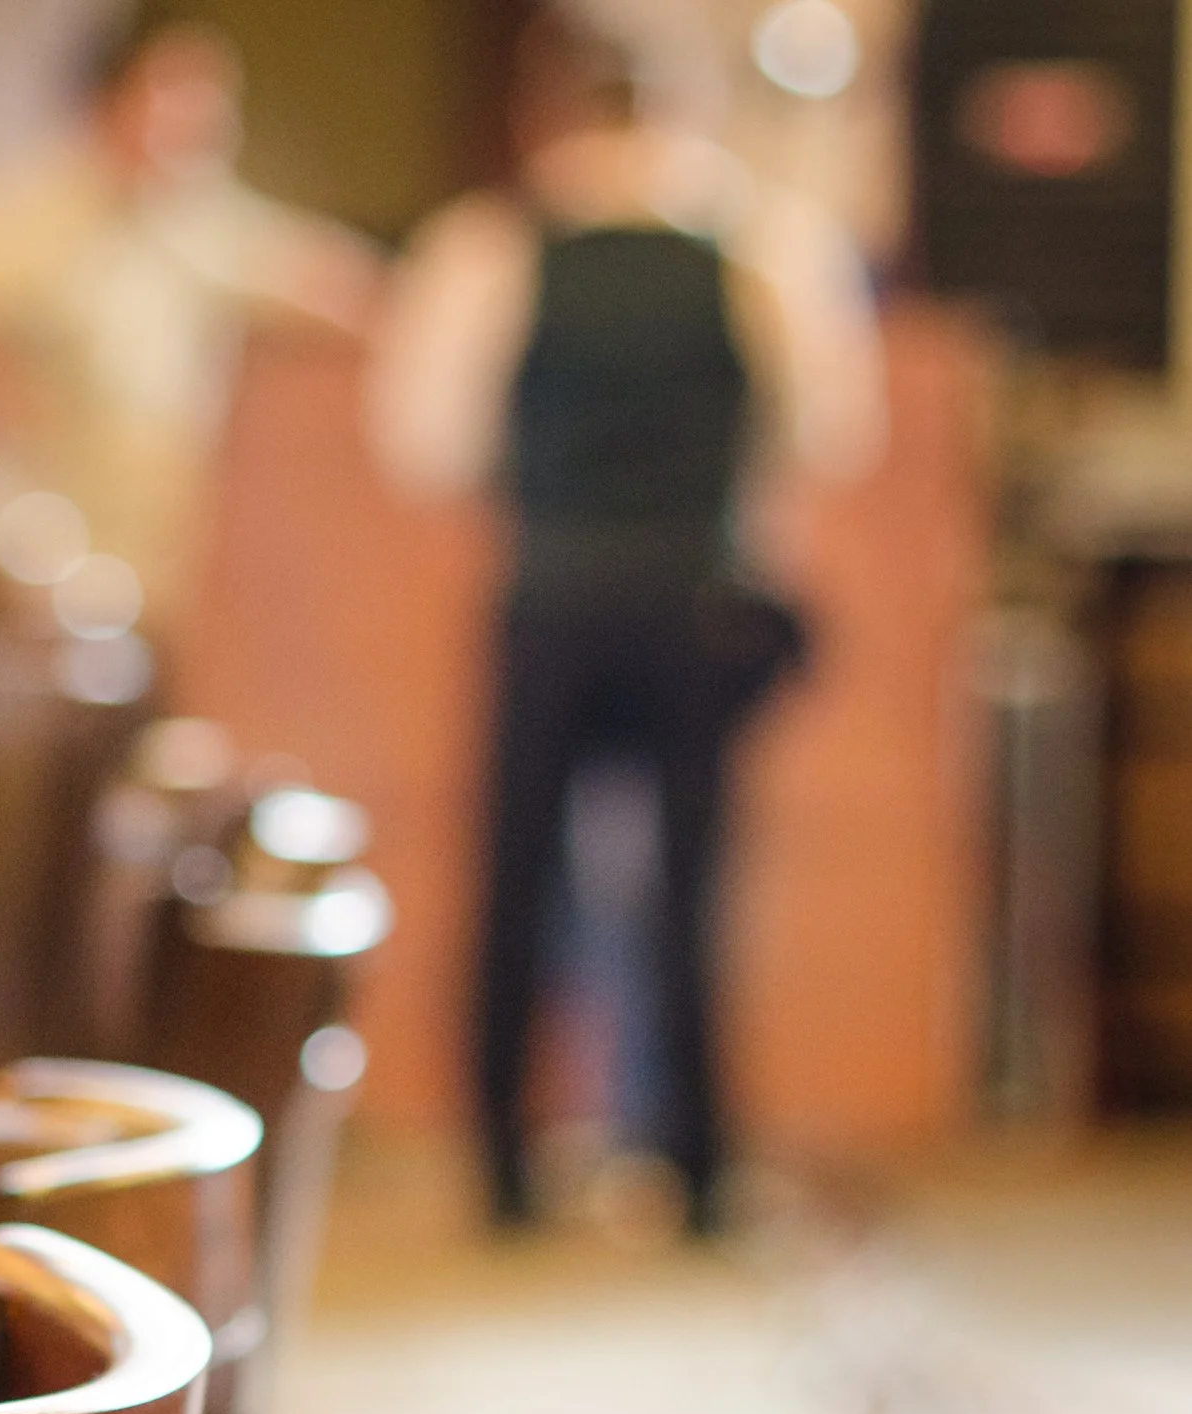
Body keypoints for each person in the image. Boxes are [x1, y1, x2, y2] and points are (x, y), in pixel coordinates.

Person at [375, 9, 885, 1237]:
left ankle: (504, 1165)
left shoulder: (490, 247)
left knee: (517, 881)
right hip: (694, 604)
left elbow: (422, 444)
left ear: (548, 105)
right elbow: (834, 431)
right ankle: (696, 1165)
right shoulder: (763, 244)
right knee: (689, 887)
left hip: (550, 596)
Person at [0, 8, 377, 645]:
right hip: (30, 552)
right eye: (174, 92)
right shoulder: (37, 213)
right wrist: (5, 420)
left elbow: (338, 287)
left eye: (211, 98)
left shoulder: (204, 222)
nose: (200, 117)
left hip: (155, 557)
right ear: (109, 102)